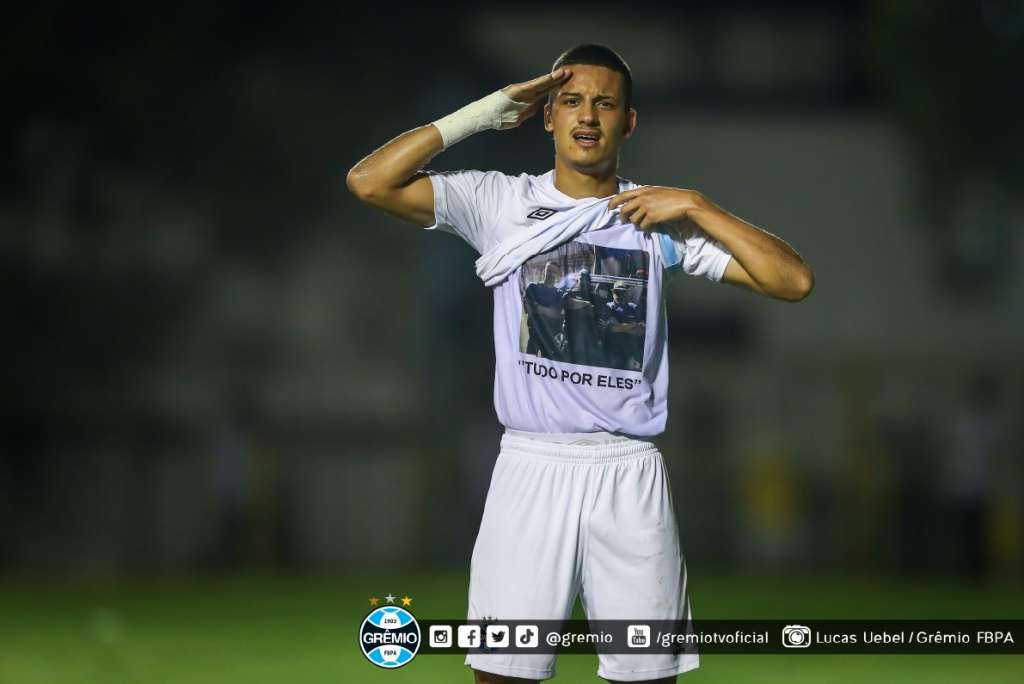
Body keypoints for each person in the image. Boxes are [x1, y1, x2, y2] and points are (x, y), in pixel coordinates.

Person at [348, 43, 814, 684]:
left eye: (604, 103)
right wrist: (482, 115)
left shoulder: (656, 220)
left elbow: (791, 281)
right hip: (531, 467)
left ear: (628, 122)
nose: (587, 116)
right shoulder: (500, 204)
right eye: (570, 101)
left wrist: (699, 206)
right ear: (546, 116)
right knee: (503, 675)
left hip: (629, 474)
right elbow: (369, 181)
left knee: (648, 676)